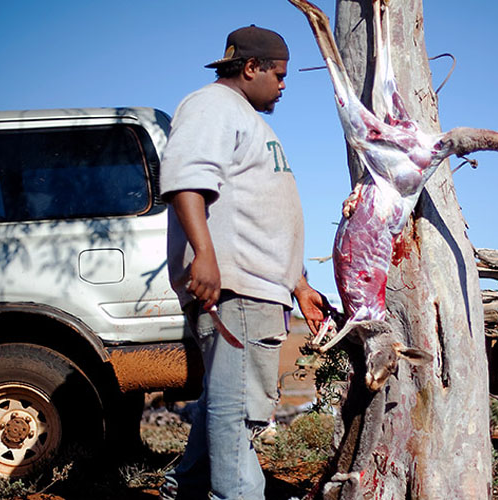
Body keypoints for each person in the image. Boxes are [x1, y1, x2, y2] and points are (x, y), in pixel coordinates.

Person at [159, 25, 327, 500]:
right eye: (278, 73)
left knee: (225, 403)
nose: (284, 84)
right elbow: (186, 181)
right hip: (236, 291)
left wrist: (297, 284)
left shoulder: (242, 117)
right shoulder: (211, 106)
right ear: (250, 67)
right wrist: (205, 256)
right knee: (238, 413)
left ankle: (185, 489)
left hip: (257, 288)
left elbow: (254, 216)